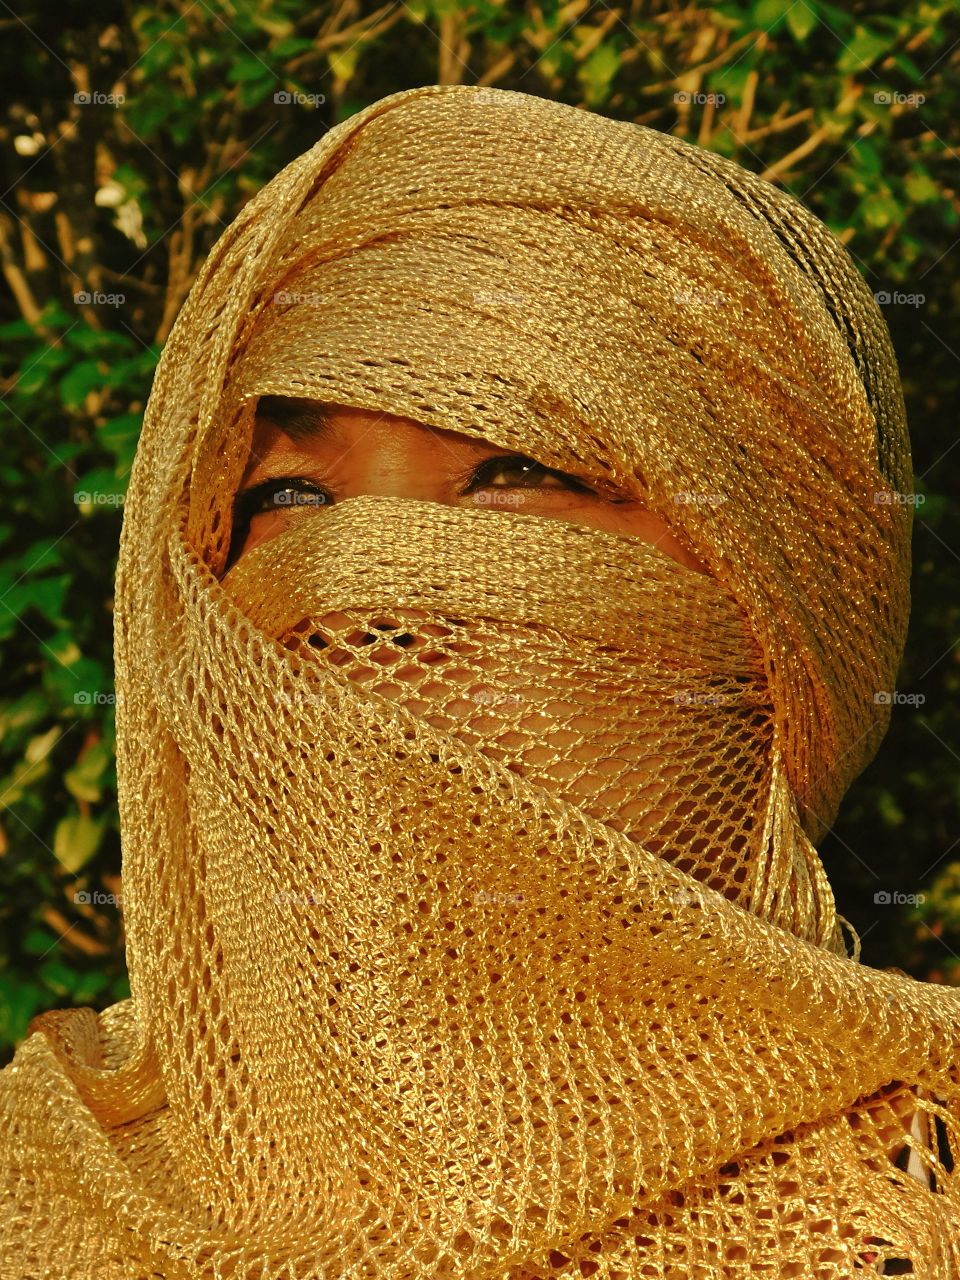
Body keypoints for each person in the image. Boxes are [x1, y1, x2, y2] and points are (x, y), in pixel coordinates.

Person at [1, 82, 957, 1279]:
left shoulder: (920, 1199)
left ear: (787, 600)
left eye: (515, 469)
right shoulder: (43, 1187)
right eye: (287, 495)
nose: (377, 598)